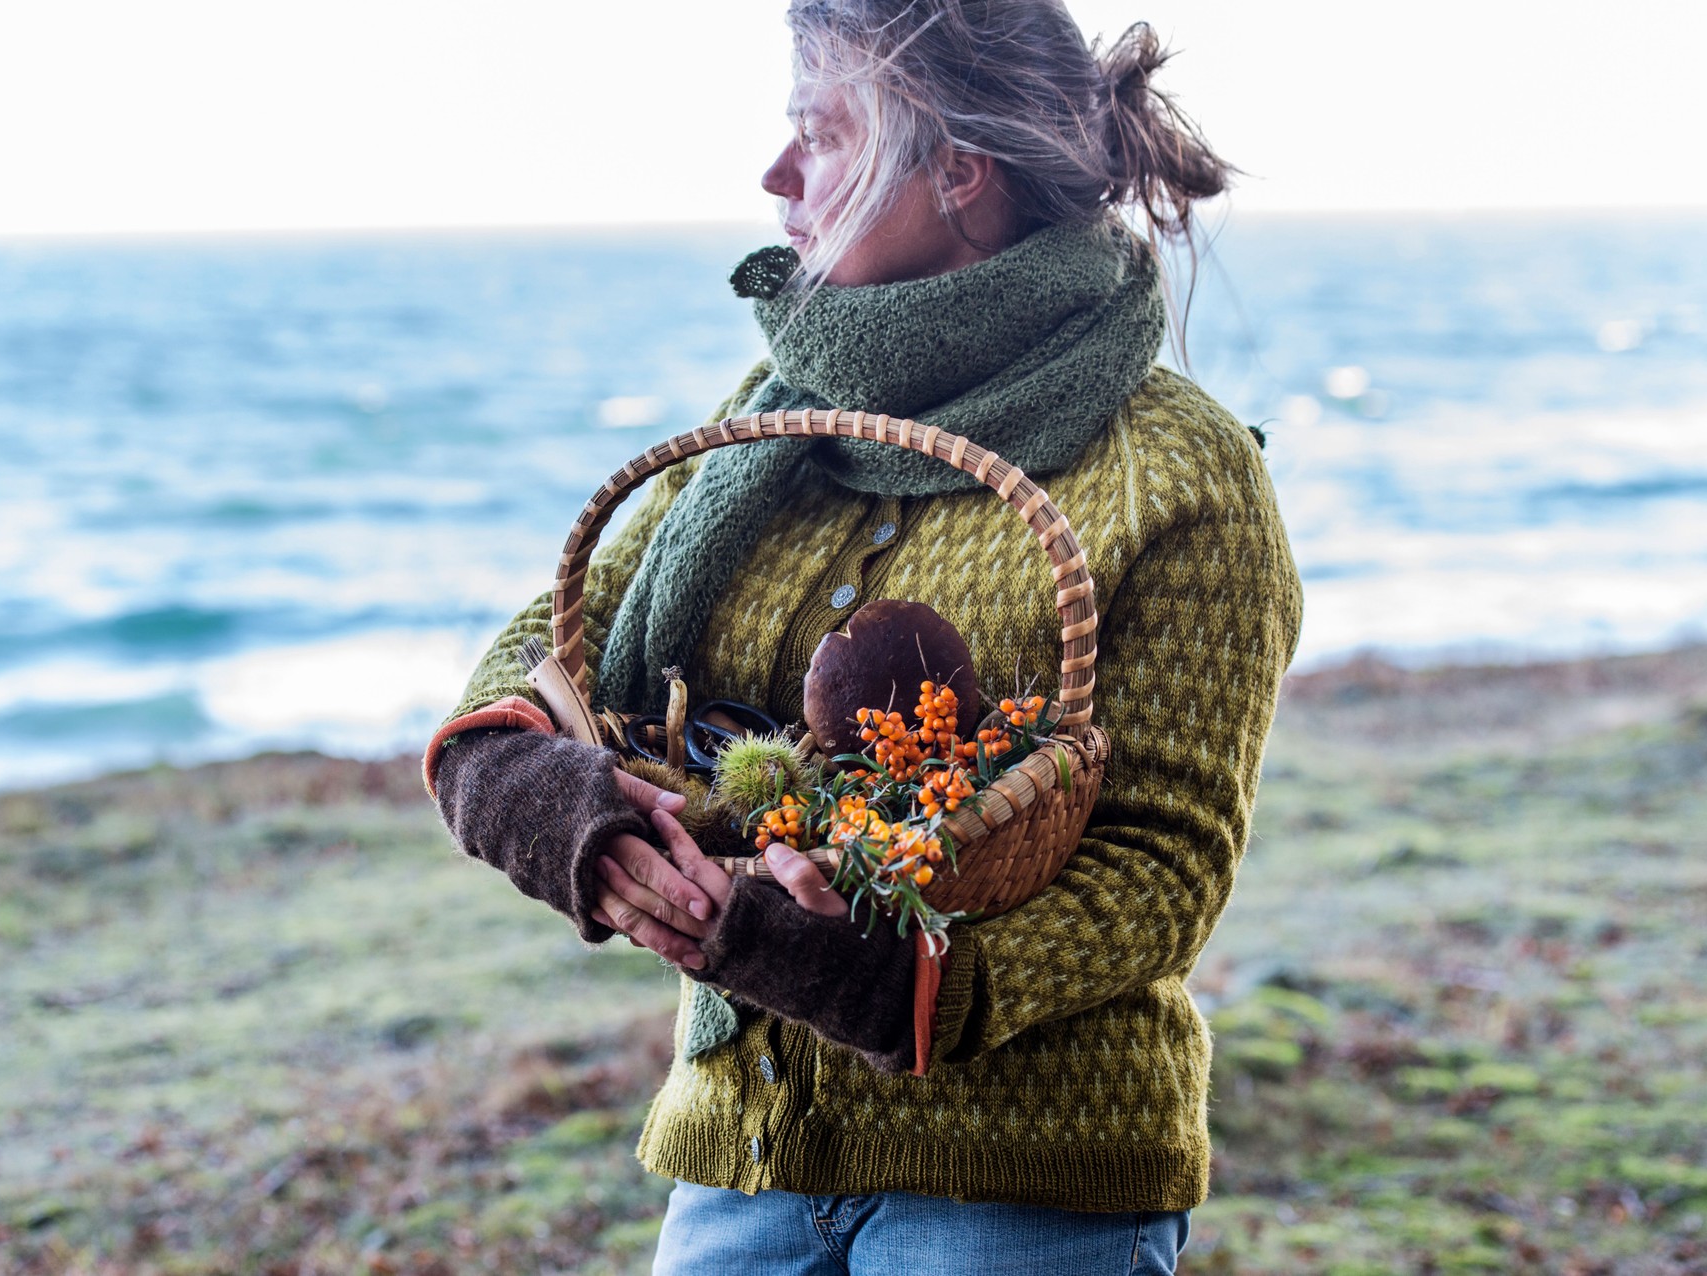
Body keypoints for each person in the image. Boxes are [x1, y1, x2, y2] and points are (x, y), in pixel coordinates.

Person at [425, 1, 1302, 1271]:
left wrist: (887, 984)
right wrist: (530, 787)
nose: (776, 176)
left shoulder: (1180, 471)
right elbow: (558, 635)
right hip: (743, 1160)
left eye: (819, 135)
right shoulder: (770, 423)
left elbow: (1166, 866)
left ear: (957, 169)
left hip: (1025, 1185)